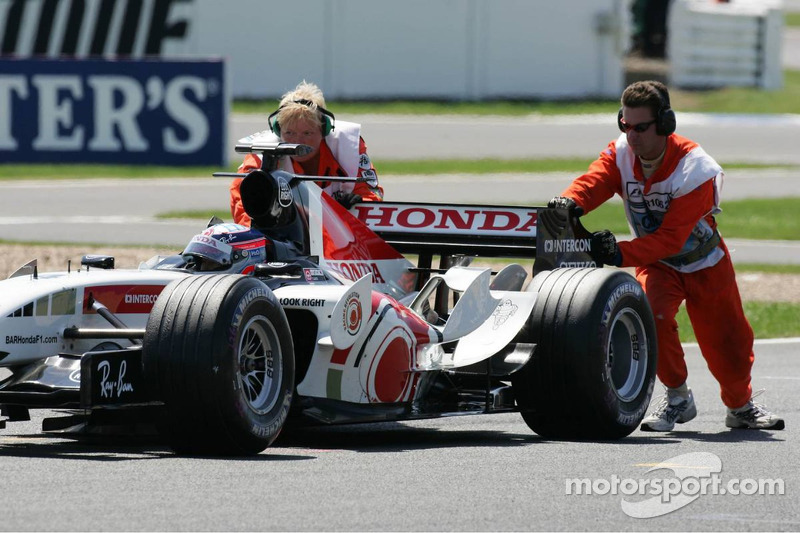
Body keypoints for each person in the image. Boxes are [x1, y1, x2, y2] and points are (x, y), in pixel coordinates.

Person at [548, 80, 784, 432]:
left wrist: (618, 253)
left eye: (640, 128)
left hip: (705, 263)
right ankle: (677, 399)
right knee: (652, 318)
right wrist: (570, 201)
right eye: (625, 126)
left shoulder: (696, 169)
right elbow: (595, 180)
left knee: (729, 341)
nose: (632, 136)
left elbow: (671, 239)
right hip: (658, 265)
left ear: (666, 124)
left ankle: (740, 407)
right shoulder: (621, 153)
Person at [230, 81, 384, 226]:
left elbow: (371, 196)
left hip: (343, 235)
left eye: (307, 133)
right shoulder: (261, 153)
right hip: (284, 237)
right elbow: (243, 208)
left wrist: (358, 208)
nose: (298, 140)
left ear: (323, 130)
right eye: (289, 132)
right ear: (278, 130)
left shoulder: (348, 146)